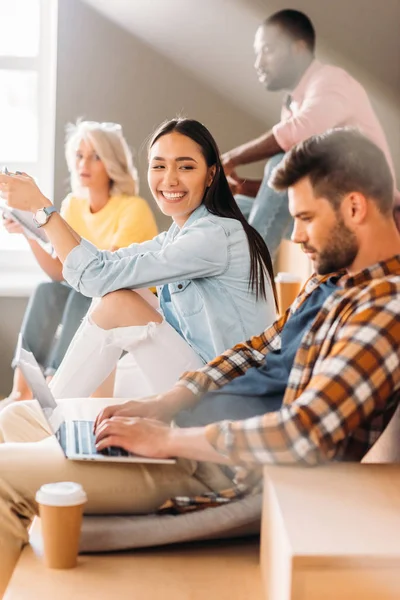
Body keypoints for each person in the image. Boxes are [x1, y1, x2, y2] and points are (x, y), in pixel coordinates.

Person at [0, 128, 399, 596]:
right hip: (187, 428)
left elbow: (303, 432)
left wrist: (169, 436)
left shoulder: (383, 309)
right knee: (18, 421)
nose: (295, 236)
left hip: (209, 465)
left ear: (354, 207)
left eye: (306, 218)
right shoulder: (331, 281)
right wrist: (166, 402)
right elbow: (255, 350)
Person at [4, 117, 278, 401]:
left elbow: (94, 277)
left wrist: (41, 208)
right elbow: (104, 264)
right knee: (117, 296)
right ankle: (61, 408)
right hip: (204, 368)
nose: (169, 179)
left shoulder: (213, 236)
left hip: (230, 392)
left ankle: (48, 415)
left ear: (211, 175)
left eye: (185, 167)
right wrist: (41, 218)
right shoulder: (179, 234)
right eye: (159, 166)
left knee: (117, 302)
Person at [2, 120, 158, 406]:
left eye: (95, 156)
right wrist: (29, 234)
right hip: (90, 289)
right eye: (80, 155)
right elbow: (58, 271)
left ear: (111, 163)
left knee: (80, 292)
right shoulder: (73, 204)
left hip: (130, 302)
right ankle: (21, 390)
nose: (84, 163)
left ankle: (53, 386)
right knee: (47, 291)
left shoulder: (132, 208)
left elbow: (105, 276)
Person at [222, 9, 397, 256]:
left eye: (268, 50)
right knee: (232, 209)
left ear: (298, 49)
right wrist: (240, 186)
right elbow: (284, 187)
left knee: (281, 160)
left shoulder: (331, 81)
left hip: (366, 208)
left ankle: (251, 279)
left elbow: (297, 133)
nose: (258, 62)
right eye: (257, 53)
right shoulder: (293, 103)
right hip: (328, 206)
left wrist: (229, 160)